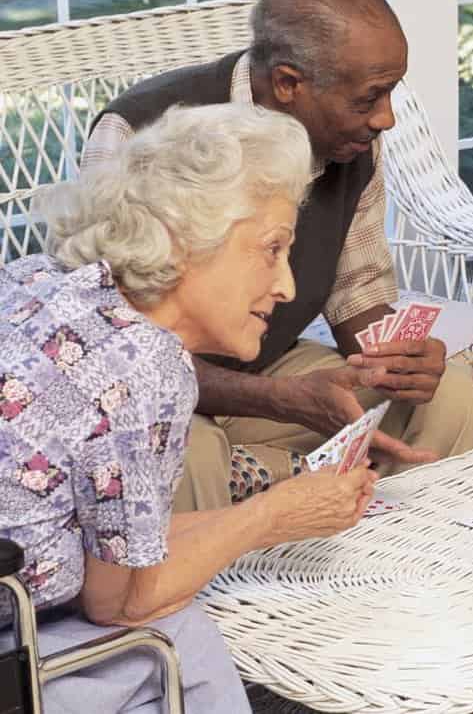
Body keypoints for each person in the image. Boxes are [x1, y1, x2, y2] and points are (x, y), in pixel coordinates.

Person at [0, 104, 380, 713]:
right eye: (272, 249)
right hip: (14, 652)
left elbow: (124, 547)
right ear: (186, 240)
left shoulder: (41, 279)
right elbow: (119, 600)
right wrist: (274, 517)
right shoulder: (145, 365)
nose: (285, 285)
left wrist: (284, 505)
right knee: (180, 632)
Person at [81, 0, 473, 513]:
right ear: (289, 84)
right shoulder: (136, 135)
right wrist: (280, 401)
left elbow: (357, 291)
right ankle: (200, 596)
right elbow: (114, 350)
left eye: (391, 93)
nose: (386, 118)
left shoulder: (352, 141)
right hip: (154, 392)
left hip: (270, 371)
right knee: (186, 452)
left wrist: (399, 359)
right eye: (369, 98)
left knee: (449, 394)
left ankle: (399, 568)